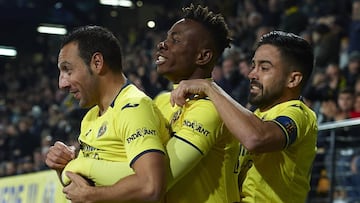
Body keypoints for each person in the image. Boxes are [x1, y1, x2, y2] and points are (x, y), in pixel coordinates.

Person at [171, 30, 318, 202]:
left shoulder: (299, 113)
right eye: (253, 66)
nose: (252, 74)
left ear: (293, 80)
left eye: (264, 68)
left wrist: (209, 87)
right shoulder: (254, 117)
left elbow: (257, 138)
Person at [45, 25, 169, 202]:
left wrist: (90, 195)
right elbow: (82, 189)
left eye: (68, 70)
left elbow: (151, 187)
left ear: (97, 63)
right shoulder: (90, 117)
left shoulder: (133, 107)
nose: (61, 83)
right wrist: (63, 167)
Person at [153, 4, 240, 203]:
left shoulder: (211, 108)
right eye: (167, 38)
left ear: (203, 56)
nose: (163, 44)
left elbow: (155, 181)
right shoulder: (160, 101)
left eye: (175, 40)